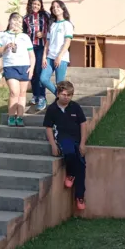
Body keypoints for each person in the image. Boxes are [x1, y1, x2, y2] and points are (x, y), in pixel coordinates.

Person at [43, 81, 88, 210]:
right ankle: (70, 173)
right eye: (64, 94)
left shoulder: (75, 107)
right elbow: (48, 128)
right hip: (61, 139)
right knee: (69, 152)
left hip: (76, 139)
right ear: (57, 94)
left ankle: (80, 196)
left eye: (69, 95)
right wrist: (52, 144)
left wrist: (83, 143)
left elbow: (83, 124)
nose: (66, 97)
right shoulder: (52, 109)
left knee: (81, 165)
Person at [0, 12, 35, 127]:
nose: (17, 23)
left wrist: (31, 68)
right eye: (14, 20)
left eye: (19, 21)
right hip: (10, 66)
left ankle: (20, 118)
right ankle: (11, 117)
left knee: (22, 94)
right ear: (9, 21)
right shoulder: (2, 35)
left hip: (24, 67)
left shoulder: (25, 36)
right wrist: (5, 47)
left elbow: (31, 55)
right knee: (14, 92)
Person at [37, 0, 74, 111]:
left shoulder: (67, 24)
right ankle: (61, 98)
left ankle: (62, 105)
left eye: (58, 6)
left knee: (60, 84)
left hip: (61, 58)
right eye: (53, 7)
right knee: (43, 78)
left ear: (63, 9)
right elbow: (47, 42)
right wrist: (44, 56)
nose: (55, 9)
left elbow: (67, 42)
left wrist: (59, 56)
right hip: (49, 57)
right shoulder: (52, 25)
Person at [23, 0, 49, 108]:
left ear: (41, 5)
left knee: (39, 71)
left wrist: (43, 34)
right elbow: (23, 33)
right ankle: (35, 95)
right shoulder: (25, 18)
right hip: (29, 48)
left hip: (41, 47)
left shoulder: (46, 16)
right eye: (34, 4)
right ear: (30, 4)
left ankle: (42, 96)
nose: (36, 6)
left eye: (38, 4)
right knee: (32, 72)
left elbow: (50, 31)